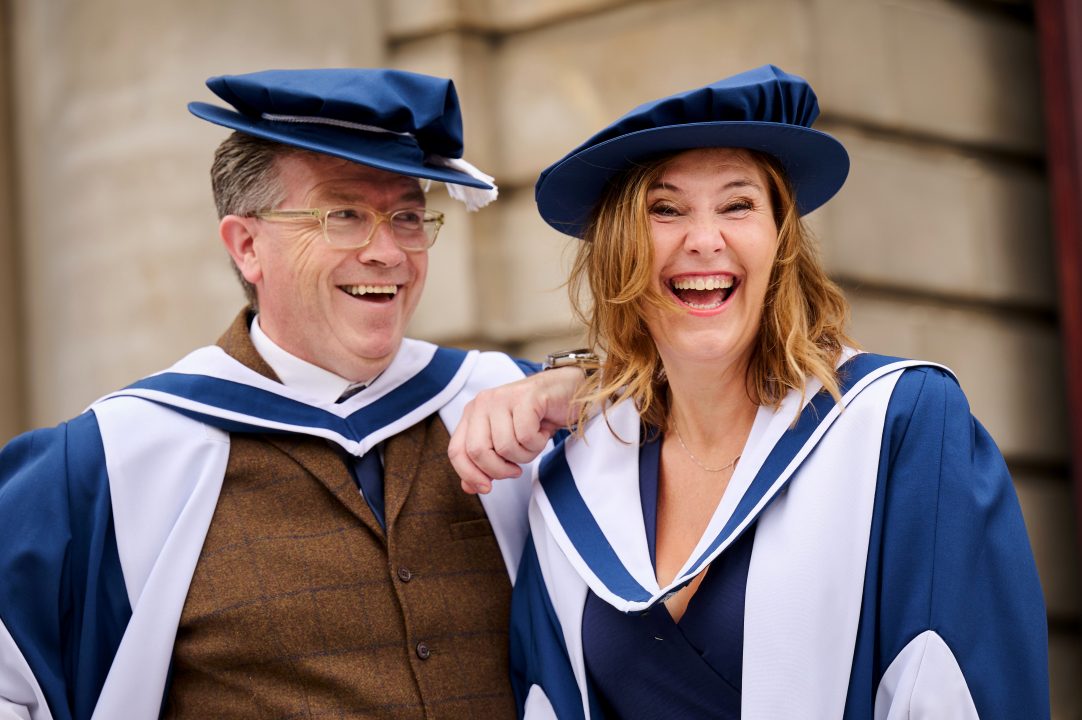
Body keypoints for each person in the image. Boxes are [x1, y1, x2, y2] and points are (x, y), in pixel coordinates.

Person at [449, 65, 1049, 718]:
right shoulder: (578, 482)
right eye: (666, 210)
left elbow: (959, 690)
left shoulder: (896, 428)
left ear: (780, 242)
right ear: (623, 251)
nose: (704, 241)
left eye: (737, 204)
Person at [0, 68, 581, 719]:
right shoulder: (114, 461)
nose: (388, 251)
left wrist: (582, 385)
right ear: (247, 246)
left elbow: (702, 432)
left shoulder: (513, 403)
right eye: (345, 216)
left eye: (409, 217)